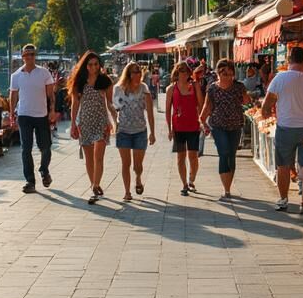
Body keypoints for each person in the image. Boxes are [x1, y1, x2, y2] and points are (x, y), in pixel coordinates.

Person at [261, 47, 303, 214]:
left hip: (285, 127)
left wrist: (271, 112)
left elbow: (266, 105)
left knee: (283, 165)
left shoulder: (279, 79)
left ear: (289, 60)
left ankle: (283, 200)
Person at [200, 60, 252, 202]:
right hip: (218, 125)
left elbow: (246, 101)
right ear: (218, 73)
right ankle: (226, 189)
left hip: (235, 125)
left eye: (230, 74)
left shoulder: (239, 87)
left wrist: (247, 97)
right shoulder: (212, 89)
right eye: (224, 73)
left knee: (232, 155)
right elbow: (207, 106)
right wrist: (202, 120)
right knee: (224, 153)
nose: (227, 77)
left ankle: (228, 185)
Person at [10, 43, 56, 194]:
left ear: (35, 56)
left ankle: (44, 170)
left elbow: (51, 94)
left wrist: (52, 111)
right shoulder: (16, 75)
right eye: (26, 54)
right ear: (22, 57)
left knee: (46, 147)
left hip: (41, 115)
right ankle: (30, 181)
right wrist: (11, 113)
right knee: (26, 149)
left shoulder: (44, 73)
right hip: (24, 115)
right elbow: (13, 95)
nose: (29, 57)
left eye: (32, 54)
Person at [69, 51, 114, 205]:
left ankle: (95, 185)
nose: (93, 67)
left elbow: (110, 103)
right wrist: (73, 124)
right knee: (89, 157)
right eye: (90, 64)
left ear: (99, 65)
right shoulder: (79, 82)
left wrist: (113, 121)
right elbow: (75, 104)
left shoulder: (105, 81)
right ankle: (94, 184)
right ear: (85, 66)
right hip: (85, 122)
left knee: (98, 156)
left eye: (96, 64)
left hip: (101, 121)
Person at [112, 62, 156, 201]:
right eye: (134, 72)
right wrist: (114, 125)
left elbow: (149, 112)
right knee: (126, 163)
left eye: (138, 72)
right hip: (123, 130)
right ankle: (127, 192)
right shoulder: (119, 89)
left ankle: (138, 178)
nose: (137, 75)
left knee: (138, 165)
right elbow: (114, 109)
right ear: (128, 74)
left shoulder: (144, 89)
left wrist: (152, 132)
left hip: (140, 131)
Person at [165, 61, 203, 196]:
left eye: (185, 71)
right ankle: (184, 184)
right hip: (178, 128)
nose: (183, 74)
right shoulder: (171, 89)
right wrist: (169, 129)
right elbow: (168, 110)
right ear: (176, 73)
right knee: (181, 158)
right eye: (180, 71)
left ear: (189, 73)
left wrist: (203, 121)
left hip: (193, 125)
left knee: (193, 157)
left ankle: (192, 179)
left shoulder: (195, 86)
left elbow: (201, 104)